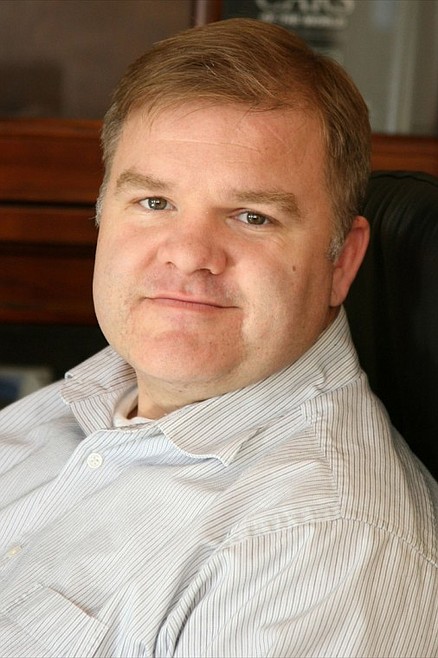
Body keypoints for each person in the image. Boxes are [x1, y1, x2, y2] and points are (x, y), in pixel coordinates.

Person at [0, 18, 436, 658]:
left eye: (252, 216)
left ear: (342, 260)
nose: (188, 254)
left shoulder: (318, 552)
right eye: (154, 202)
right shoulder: (79, 402)